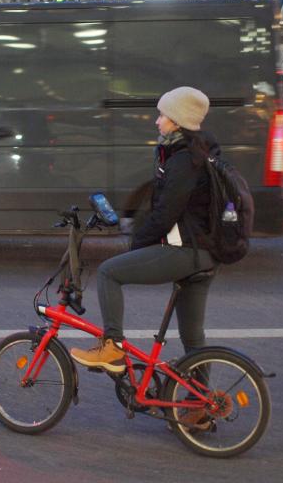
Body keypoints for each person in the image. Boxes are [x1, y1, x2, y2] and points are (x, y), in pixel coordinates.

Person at [70, 86, 218, 421]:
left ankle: (113, 348)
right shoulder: (196, 153)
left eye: (163, 115)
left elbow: (165, 214)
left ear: (177, 121)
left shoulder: (184, 161)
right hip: (206, 255)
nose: (156, 121)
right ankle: (201, 407)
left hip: (186, 252)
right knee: (193, 338)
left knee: (110, 272)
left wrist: (136, 246)